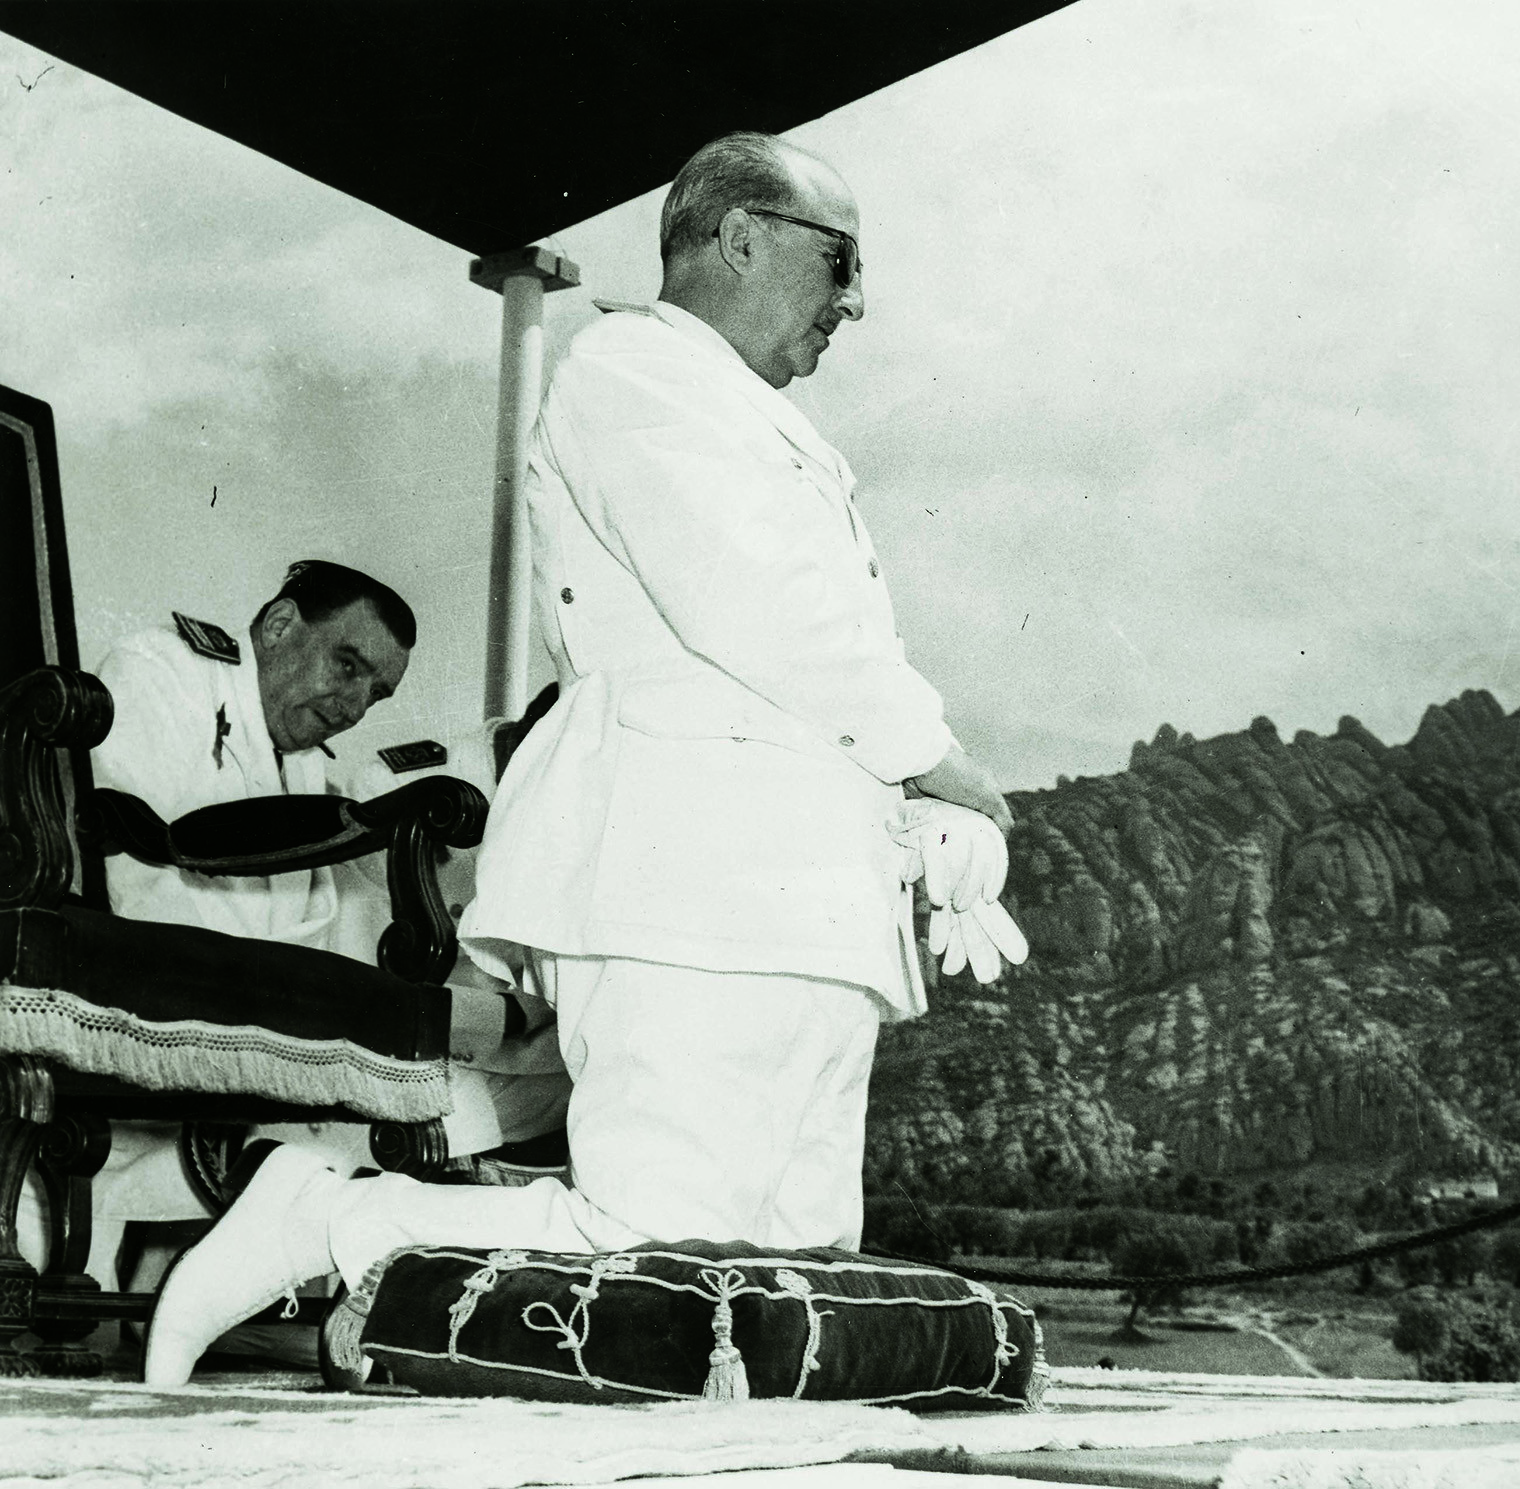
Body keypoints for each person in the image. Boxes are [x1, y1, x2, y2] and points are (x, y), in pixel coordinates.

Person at [145, 132, 1023, 1386]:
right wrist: (936, 759)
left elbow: (816, 665)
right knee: (652, 1234)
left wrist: (909, 812)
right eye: (841, 261)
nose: (856, 302)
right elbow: (757, 608)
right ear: (739, 237)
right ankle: (328, 1220)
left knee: (790, 1263)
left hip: (812, 900)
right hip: (690, 879)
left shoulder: (759, 422)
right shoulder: (632, 372)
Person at [76, 563, 568, 1300]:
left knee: (542, 1058)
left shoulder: (304, 758)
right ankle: (275, 1177)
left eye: (376, 692)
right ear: (279, 627)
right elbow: (132, 874)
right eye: (347, 665)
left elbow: (311, 918)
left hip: (268, 1000)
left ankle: (278, 1181)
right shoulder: (163, 671)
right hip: (163, 983)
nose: (355, 704)